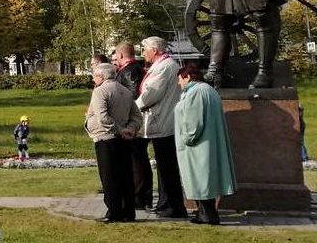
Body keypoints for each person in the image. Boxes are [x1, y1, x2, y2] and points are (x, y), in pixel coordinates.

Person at [175, 61, 237, 225]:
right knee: (205, 179)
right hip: (207, 142)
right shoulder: (209, 90)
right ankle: (205, 212)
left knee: (200, 179)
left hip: (197, 145)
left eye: (180, 79)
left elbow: (193, 121)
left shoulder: (196, 92)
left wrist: (187, 138)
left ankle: (208, 214)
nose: (178, 84)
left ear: (187, 76)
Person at [133, 36, 186, 218]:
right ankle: (166, 204)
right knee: (165, 166)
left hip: (163, 122)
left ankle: (171, 206)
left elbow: (150, 95)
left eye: (145, 49)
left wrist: (132, 108)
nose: (144, 53)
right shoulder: (163, 65)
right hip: (161, 120)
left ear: (155, 50)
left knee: (167, 167)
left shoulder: (164, 67)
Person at [86, 63, 142, 223]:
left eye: (95, 76)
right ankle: (128, 211)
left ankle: (114, 211)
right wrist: (130, 129)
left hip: (106, 137)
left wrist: (119, 130)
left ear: (101, 77)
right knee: (125, 175)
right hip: (124, 140)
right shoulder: (125, 91)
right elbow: (137, 116)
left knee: (109, 176)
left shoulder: (100, 91)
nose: (93, 79)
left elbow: (102, 117)